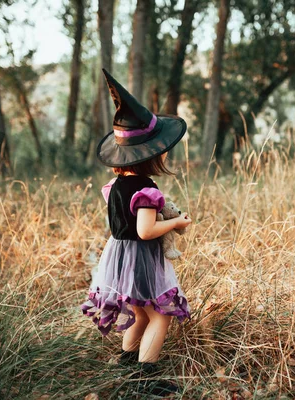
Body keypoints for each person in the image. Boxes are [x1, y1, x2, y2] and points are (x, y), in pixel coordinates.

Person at [81, 69, 191, 396]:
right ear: (152, 154)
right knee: (160, 316)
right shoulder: (145, 189)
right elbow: (145, 231)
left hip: (119, 257)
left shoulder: (115, 185)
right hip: (140, 257)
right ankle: (144, 380)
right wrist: (176, 223)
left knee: (141, 316)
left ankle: (126, 367)